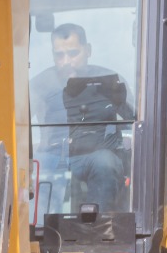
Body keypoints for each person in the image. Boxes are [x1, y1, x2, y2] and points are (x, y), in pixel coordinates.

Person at [29, 24, 133, 212]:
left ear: (88, 50)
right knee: (33, 165)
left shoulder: (110, 82)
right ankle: (35, 232)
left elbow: (135, 122)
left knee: (105, 162)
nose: (66, 61)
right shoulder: (40, 85)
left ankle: (98, 228)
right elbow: (18, 123)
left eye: (73, 53)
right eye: (59, 55)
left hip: (94, 156)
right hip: (52, 157)